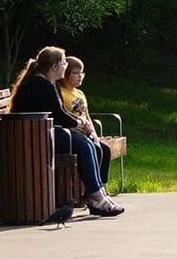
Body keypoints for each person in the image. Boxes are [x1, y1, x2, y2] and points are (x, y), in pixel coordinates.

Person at [11, 46, 123, 216]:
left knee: (90, 144)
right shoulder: (40, 85)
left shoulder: (48, 83)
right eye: (63, 62)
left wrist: (79, 124)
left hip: (41, 133)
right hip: (33, 137)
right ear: (54, 66)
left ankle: (97, 195)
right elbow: (59, 115)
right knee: (85, 146)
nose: (66, 65)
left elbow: (59, 113)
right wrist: (80, 123)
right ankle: (96, 197)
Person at [59, 55, 116, 193]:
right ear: (66, 74)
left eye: (82, 73)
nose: (80, 76)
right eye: (76, 73)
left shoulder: (80, 93)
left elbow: (87, 116)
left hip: (87, 132)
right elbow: (63, 116)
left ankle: (102, 186)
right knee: (96, 150)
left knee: (105, 149)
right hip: (74, 133)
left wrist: (95, 135)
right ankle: (92, 189)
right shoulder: (61, 92)